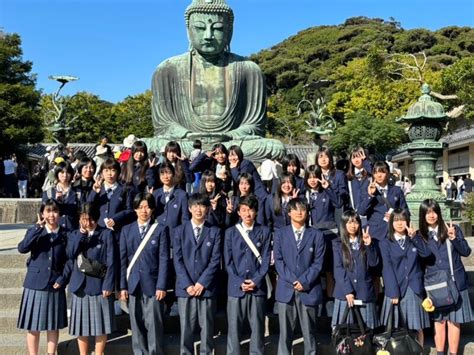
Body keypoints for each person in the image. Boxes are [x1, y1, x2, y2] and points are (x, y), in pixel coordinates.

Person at [147, 0, 285, 160]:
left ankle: (210, 153)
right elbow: (164, 126)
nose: (208, 36)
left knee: (274, 148)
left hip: (231, 143)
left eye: (218, 29)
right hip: (186, 143)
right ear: (188, 31)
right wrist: (189, 135)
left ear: (229, 31)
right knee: (149, 145)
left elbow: (255, 126)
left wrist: (227, 136)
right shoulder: (167, 70)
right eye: (199, 28)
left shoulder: (249, 70)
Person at [418, 199, 473, 355]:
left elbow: (466, 252)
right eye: (427, 212)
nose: (432, 215)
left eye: (434, 211)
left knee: (454, 322)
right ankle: (441, 352)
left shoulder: (452, 229)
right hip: (436, 285)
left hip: (455, 282)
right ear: (423, 215)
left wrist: (454, 238)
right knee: (439, 322)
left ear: (439, 212)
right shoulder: (421, 236)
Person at [17, 200, 70, 355]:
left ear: (59, 214)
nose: (51, 215)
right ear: (42, 213)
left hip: (55, 283)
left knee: (53, 325)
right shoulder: (36, 230)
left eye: (54, 211)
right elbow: (22, 248)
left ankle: (50, 353)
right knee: (33, 326)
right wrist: (37, 228)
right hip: (35, 283)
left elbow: (70, 260)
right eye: (48, 211)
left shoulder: (66, 233)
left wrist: (62, 279)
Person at [273, 198, 325, 355]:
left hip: (308, 289)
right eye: (295, 209)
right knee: (285, 334)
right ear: (289, 212)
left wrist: (304, 281)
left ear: (307, 212)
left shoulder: (316, 234)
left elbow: (318, 263)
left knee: (309, 333)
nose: (299, 212)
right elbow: (278, 261)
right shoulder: (280, 234)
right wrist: (293, 280)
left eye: (302, 209)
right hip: (286, 289)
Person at [120, 193, 169, 355]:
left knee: (154, 324)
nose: (144, 211)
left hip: (153, 284)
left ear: (153, 209)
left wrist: (162, 285)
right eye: (140, 207)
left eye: (147, 207)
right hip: (133, 284)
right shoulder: (126, 230)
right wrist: (122, 287)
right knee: (136, 325)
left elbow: (164, 260)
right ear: (134, 209)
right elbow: (122, 261)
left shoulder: (160, 230)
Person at [172, 193, 222, 354]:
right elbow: (177, 260)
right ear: (189, 208)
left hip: (206, 288)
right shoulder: (179, 231)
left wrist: (202, 283)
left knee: (207, 328)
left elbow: (215, 261)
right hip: (185, 288)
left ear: (207, 208)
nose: (198, 209)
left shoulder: (214, 231)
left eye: (201, 206)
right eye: (195, 206)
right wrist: (188, 284)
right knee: (186, 328)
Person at [67, 202, 116, 355]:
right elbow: (70, 254)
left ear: (96, 218)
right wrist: (81, 235)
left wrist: (108, 284)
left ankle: (99, 353)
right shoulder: (75, 234)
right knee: (81, 326)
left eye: (89, 219)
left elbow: (112, 261)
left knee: (100, 325)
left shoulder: (106, 234)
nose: (87, 223)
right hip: (79, 285)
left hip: (99, 284)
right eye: (83, 219)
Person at [224, 195, 271, 355]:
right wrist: (239, 281)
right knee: (234, 328)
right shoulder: (230, 232)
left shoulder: (264, 231)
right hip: (235, 288)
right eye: (243, 210)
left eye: (250, 210)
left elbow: (265, 261)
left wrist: (256, 280)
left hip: (257, 288)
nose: (247, 213)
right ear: (238, 212)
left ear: (256, 212)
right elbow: (228, 262)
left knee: (257, 327)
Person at [379, 209, 430, 346]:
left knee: (417, 327)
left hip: (414, 287)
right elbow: (387, 268)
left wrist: (415, 237)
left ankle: (418, 351)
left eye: (402, 219)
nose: (399, 223)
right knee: (396, 327)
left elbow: (426, 254)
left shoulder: (414, 238)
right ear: (391, 223)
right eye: (396, 220)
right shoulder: (385, 242)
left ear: (407, 221)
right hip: (395, 288)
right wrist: (393, 292)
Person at [332, 210, 379, 329]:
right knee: (345, 332)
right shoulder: (337, 244)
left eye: (356, 222)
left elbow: (374, 264)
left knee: (366, 333)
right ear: (343, 225)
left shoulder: (366, 241)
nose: (353, 226)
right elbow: (338, 269)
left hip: (364, 292)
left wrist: (369, 246)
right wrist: (348, 291)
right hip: (344, 294)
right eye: (349, 223)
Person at [42, 162, 79, 231]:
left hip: (72, 231)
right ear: (57, 174)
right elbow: (44, 212)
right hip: (54, 231)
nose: (65, 175)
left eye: (68, 173)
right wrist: (54, 201)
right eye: (62, 172)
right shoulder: (48, 193)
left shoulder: (77, 193)